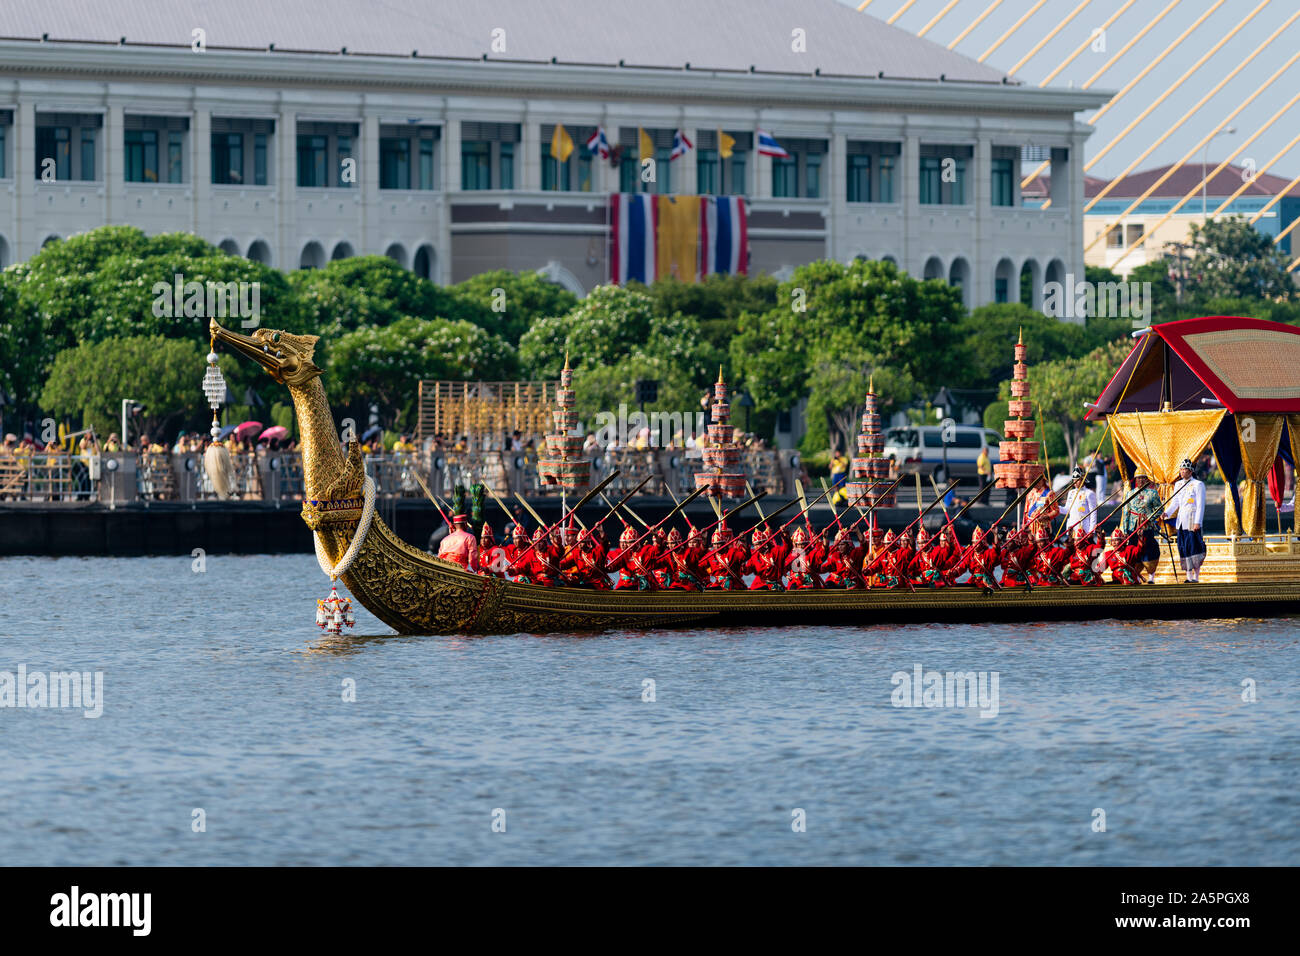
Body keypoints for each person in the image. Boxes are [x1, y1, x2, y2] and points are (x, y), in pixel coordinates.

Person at [1165, 457, 1207, 582]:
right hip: (1181, 522)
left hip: (1192, 520)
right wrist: (1166, 513)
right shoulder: (1178, 485)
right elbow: (1175, 503)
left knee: (1194, 548)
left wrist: (1197, 522)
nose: (1182, 472)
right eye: (1181, 470)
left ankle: (1196, 576)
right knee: (1183, 548)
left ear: (1191, 471)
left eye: (1185, 470)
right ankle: (1188, 576)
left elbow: (1200, 505)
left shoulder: (1198, 485)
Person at [1120, 470, 1163, 582]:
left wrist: (1150, 518)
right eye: (1138, 478)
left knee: (1149, 549)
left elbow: (1159, 510)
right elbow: (1126, 512)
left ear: (1146, 479)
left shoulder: (1153, 493)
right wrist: (1125, 530)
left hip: (1146, 526)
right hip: (1132, 527)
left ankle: (1151, 577)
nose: (1140, 480)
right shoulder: (1130, 493)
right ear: (1135, 480)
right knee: (1134, 551)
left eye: (1143, 478)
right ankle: (1136, 576)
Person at [1063, 466, 1098, 535]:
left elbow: (1093, 513)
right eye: (1074, 479)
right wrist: (1055, 506)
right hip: (1071, 527)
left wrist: (1091, 530)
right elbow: (1067, 510)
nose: (1075, 482)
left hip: (1084, 528)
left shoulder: (1089, 493)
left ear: (1083, 479)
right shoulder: (1071, 493)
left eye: (1077, 480)